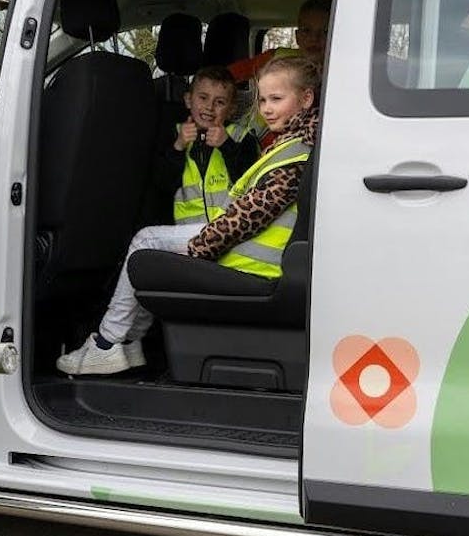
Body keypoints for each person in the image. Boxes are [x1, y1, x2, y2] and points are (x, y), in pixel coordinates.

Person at [57, 55, 321, 375]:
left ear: (306, 98)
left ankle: (107, 344)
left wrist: (199, 248)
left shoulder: (282, 149)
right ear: (188, 99)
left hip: (246, 255)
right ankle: (127, 343)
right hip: (234, 243)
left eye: (276, 99)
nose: (266, 108)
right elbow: (164, 183)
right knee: (149, 245)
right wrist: (178, 146)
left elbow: (250, 215)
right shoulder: (293, 142)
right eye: (263, 99)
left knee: (145, 241)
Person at [153, 66, 259, 226]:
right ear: (188, 100)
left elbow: (251, 185)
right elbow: (162, 186)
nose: (209, 107)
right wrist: (179, 146)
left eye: (220, 102)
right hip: (185, 231)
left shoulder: (243, 137)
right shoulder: (174, 135)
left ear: (231, 110)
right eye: (203, 98)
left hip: (229, 227)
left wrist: (226, 145)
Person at [228, 0, 330, 149]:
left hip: (296, 149)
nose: (314, 38)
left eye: (325, 31)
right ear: (297, 36)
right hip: (251, 140)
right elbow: (226, 76)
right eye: (307, 31)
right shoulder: (276, 58)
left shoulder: (340, 73)